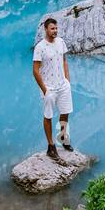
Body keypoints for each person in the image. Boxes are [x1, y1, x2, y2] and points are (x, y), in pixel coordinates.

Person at [33, 17, 72, 160]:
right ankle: (51, 146)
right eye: (52, 28)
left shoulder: (61, 42)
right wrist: (44, 90)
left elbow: (64, 60)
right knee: (48, 115)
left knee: (65, 112)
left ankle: (63, 138)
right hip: (49, 87)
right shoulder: (40, 47)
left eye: (56, 28)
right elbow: (35, 71)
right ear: (46, 29)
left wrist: (67, 80)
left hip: (62, 85)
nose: (55, 31)